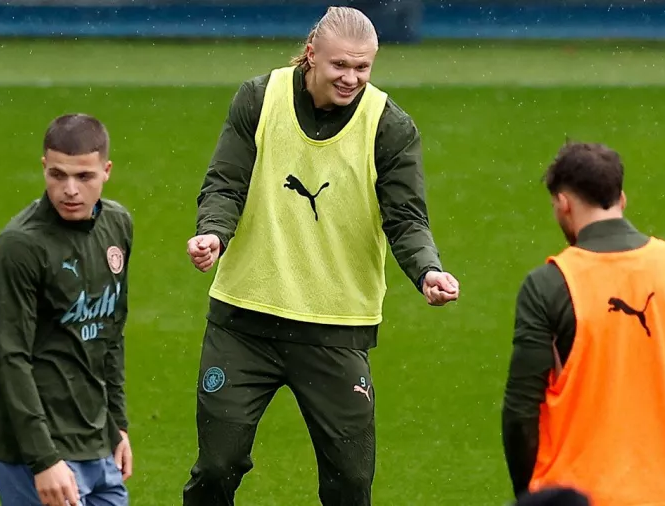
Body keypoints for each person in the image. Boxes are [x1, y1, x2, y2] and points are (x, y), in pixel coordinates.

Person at [182, 6, 459, 506]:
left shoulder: (390, 127)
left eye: (363, 68)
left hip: (336, 331)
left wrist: (428, 270)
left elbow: (406, 219)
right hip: (244, 322)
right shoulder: (258, 98)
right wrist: (213, 234)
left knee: (350, 485)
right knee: (216, 468)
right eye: (340, 66)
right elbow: (225, 183)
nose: (351, 78)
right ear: (311, 55)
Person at [501, 142, 665, 506]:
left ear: (563, 202)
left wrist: (528, 496)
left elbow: (521, 409)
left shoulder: (548, 285)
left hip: (577, 495)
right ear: (621, 199)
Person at [0, 113, 134, 506]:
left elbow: (111, 333)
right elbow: (11, 358)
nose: (69, 190)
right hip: (41, 453)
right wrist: (43, 459)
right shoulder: (18, 248)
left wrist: (117, 423)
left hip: (99, 444)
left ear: (106, 171)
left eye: (83, 177)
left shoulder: (117, 225)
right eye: (57, 175)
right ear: (44, 168)